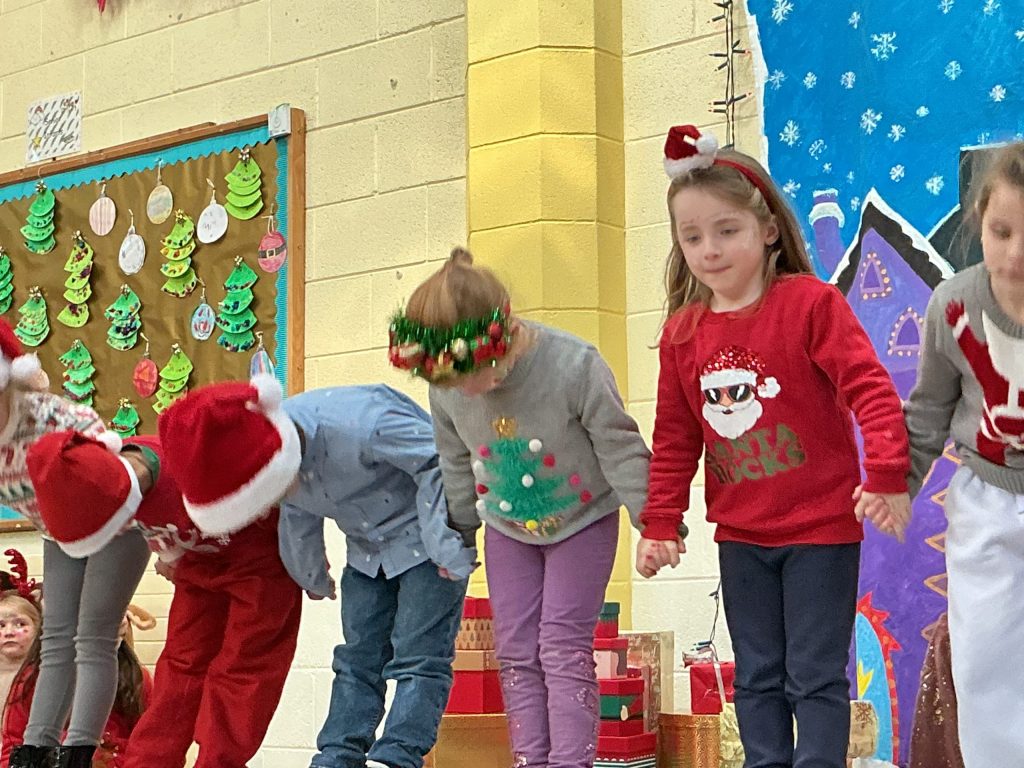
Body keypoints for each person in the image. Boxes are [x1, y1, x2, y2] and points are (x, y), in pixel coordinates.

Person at [636, 125, 911, 768]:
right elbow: (675, 439)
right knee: (757, 676)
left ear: (766, 230)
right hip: (741, 535)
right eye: (692, 236)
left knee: (813, 675)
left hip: (820, 531)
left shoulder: (809, 305)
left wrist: (886, 473)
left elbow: (871, 390)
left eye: (726, 230)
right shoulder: (683, 335)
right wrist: (660, 521)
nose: (709, 250)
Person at [389, 248, 651, 768]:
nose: (467, 392)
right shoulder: (449, 390)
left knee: (561, 645)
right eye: (453, 384)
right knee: (515, 651)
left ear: (503, 337)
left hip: (582, 520)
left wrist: (654, 522)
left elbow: (621, 447)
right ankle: (531, 760)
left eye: (475, 375)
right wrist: (459, 534)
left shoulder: (574, 365)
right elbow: (455, 461)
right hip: (507, 527)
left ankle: (569, 762)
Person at [25, 376, 302, 768]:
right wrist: (170, 553)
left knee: (242, 671)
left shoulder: (190, 454)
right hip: (198, 568)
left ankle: (218, 762)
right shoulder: (107, 480)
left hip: (261, 566)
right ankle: (149, 761)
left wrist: (308, 558)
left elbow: (286, 493)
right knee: (178, 668)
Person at [277, 384, 476, 768]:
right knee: (356, 659)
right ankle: (338, 755)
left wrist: (447, 543)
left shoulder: (366, 422)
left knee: (419, 658)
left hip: (426, 546)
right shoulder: (271, 460)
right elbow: (297, 509)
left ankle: (396, 756)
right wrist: (310, 573)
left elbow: (439, 462)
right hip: (367, 553)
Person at [902, 140, 1024, 767]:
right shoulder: (954, 305)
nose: (1016, 254)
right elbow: (928, 410)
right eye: (1002, 232)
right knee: (984, 661)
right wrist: (896, 483)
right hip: (987, 498)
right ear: (980, 221)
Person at [0, 321, 150, 768]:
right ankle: (35, 748)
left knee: (94, 636)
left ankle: (79, 748)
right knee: (56, 637)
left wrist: (101, 457)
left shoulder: (41, 414)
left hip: (116, 521)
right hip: (59, 530)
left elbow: (97, 437)